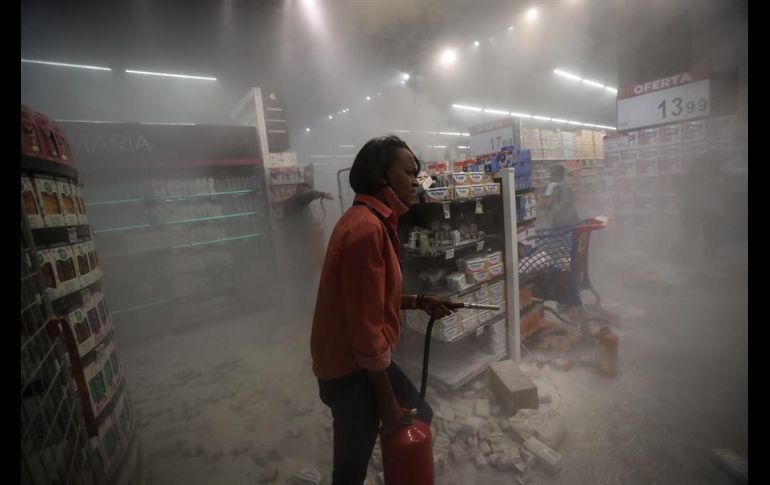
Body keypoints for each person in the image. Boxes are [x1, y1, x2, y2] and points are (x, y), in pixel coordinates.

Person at [310, 135, 455, 485]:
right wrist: (387, 405)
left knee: (421, 414)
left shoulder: (373, 221)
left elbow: (371, 298)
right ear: (381, 176)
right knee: (350, 468)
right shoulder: (365, 230)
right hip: (350, 370)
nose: (417, 181)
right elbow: (364, 328)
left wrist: (418, 301)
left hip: (362, 361)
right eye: (409, 172)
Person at [283, 183, 333, 310]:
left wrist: (312, 221)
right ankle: (305, 305)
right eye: (306, 191)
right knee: (304, 274)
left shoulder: (295, 203)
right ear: (300, 190)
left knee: (306, 274)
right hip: (299, 244)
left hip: (301, 242)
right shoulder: (296, 201)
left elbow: (301, 218)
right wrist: (322, 194)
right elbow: (308, 197)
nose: (307, 194)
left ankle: (305, 302)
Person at [542, 163, 579, 228]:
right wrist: (548, 208)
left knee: (561, 232)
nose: (551, 177)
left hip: (567, 219)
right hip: (562, 218)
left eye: (553, 175)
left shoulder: (565, 186)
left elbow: (564, 202)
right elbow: (554, 200)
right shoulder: (556, 185)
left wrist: (554, 210)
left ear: (559, 175)